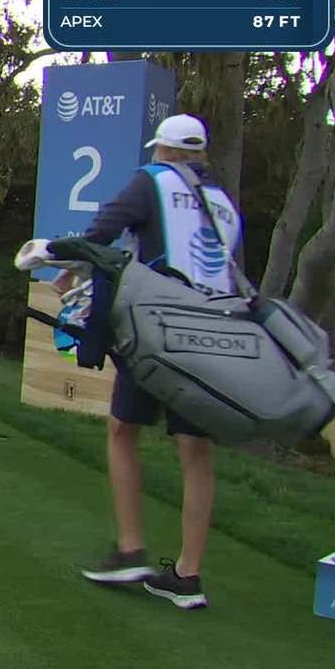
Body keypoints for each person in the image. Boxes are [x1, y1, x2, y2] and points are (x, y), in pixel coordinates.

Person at [78, 115, 235, 611]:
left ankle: (130, 549)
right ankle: (187, 576)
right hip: (210, 337)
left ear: (162, 150)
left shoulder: (154, 181)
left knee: (123, 430)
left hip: (157, 330)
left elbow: (100, 232)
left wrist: (69, 269)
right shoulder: (223, 202)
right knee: (195, 451)